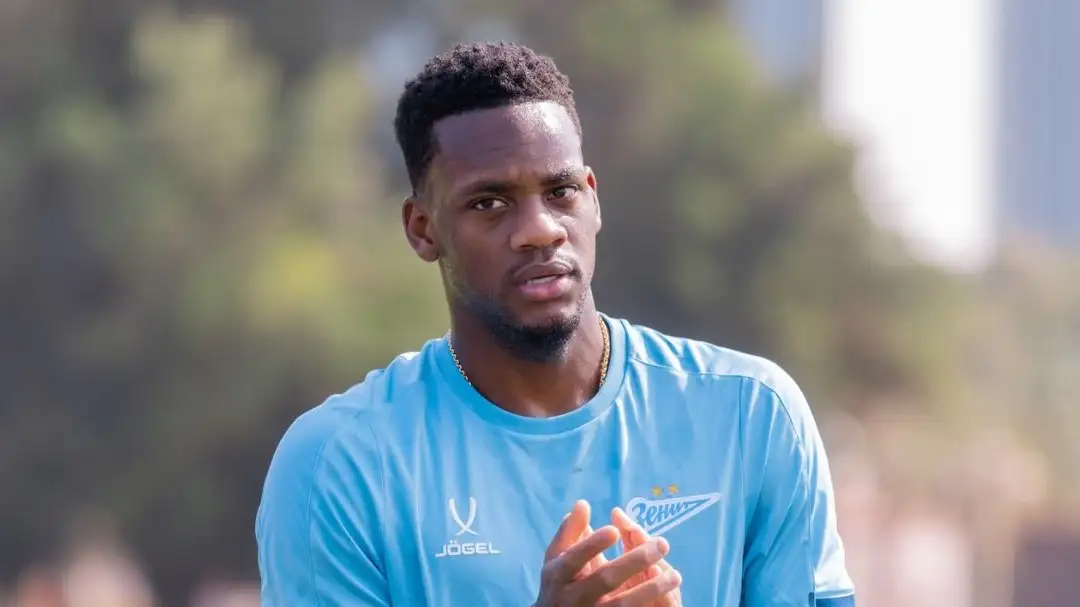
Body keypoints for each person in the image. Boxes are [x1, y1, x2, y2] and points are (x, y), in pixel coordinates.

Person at [255, 41, 856, 606]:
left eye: (561, 191)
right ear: (422, 228)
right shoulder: (338, 465)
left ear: (593, 197)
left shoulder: (753, 415)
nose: (540, 229)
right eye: (489, 203)